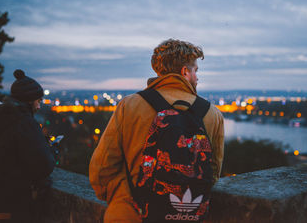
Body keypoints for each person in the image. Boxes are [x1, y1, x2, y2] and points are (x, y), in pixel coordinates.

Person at [89, 39, 224, 222]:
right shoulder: (212, 114)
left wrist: (122, 200)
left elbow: (102, 168)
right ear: (185, 71)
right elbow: (212, 172)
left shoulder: (130, 106)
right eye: (196, 71)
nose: (197, 78)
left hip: (130, 215)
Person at [0, 69, 55, 223]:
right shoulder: (24, 122)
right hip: (12, 203)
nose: (39, 106)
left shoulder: (2, 116)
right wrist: (51, 151)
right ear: (30, 101)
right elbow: (43, 165)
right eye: (38, 101)